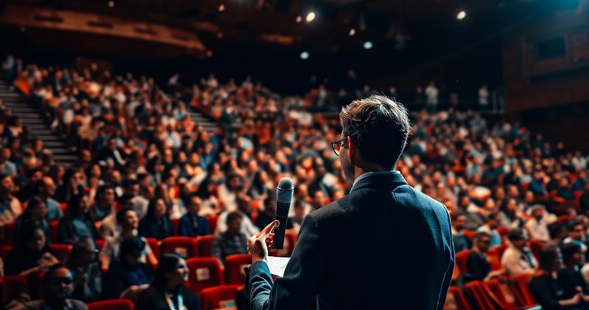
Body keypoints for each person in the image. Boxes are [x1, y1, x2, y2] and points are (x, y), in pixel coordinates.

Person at [246, 95, 454, 309]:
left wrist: (259, 264)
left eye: (340, 145)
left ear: (351, 147)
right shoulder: (438, 214)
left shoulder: (323, 223)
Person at [528, 245, 585, 310]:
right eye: (558, 257)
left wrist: (577, 291)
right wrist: (572, 301)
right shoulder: (538, 280)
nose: (561, 260)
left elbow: (572, 290)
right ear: (549, 261)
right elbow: (549, 304)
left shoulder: (560, 272)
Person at [135, 254, 200, 310]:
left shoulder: (190, 296)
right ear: (167, 273)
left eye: (186, 267)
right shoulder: (148, 296)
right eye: (181, 267)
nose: (187, 270)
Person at [15, 264, 87, 310]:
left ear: (73, 286)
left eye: (67, 281)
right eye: (56, 282)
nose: (62, 285)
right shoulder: (29, 308)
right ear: (46, 284)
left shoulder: (79, 307)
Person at [65, 236, 102, 303]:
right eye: (85, 262)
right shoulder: (66, 272)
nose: (89, 266)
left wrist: (86, 287)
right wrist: (75, 284)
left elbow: (97, 296)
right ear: (77, 258)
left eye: (91, 261)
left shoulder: (94, 267)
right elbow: (61, 298)